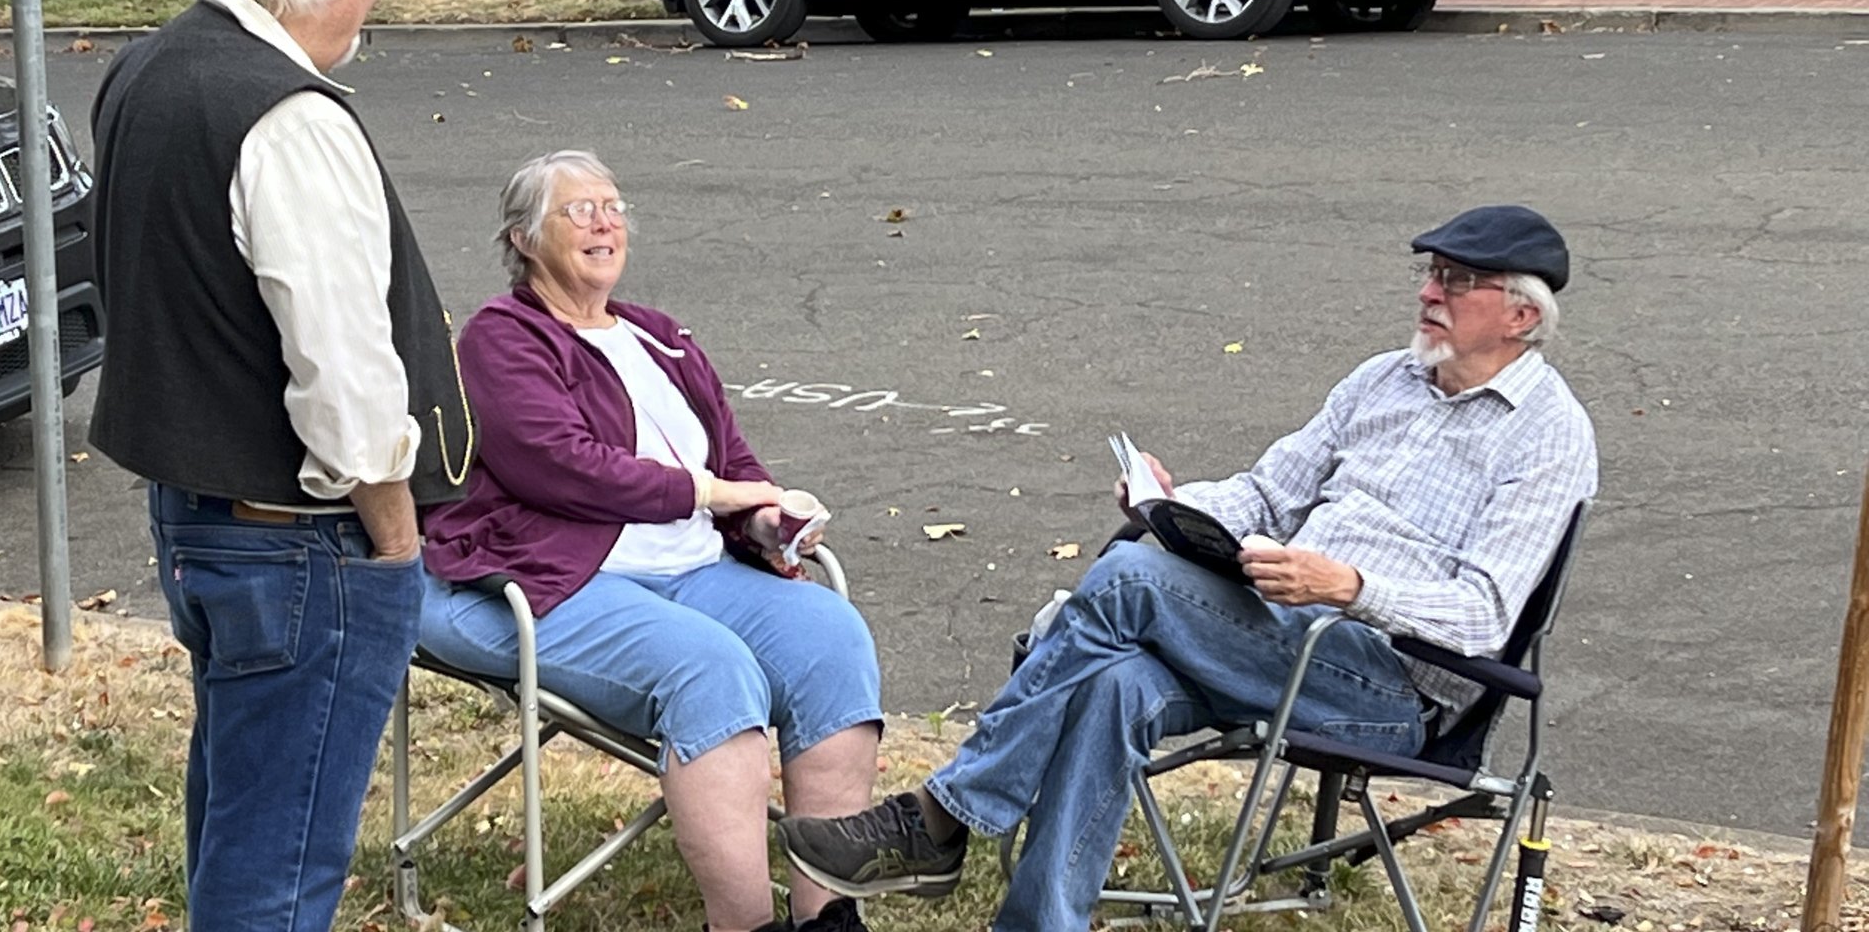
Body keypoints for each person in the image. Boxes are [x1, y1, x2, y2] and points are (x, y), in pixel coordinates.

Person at [777, 205, 1600, 932]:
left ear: (1522, 314)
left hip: (1390, 688)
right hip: (1280, 634)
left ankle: (944, 817)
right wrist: (1173, 504)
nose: (1429, 292)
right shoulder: (1384, 379)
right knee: (1113, 682)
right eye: (1430, 272)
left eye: (1457, 281)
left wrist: (1347, 587)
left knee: (1129, 579)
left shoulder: (1550, 435)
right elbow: (1268, 493)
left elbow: (1485, 616)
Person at [87, 0, 475, 932]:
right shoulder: (289, 115)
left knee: (237, 829)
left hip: (200, 520)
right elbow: (346, 382)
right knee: (281, 866)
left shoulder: (146, 68)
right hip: (300, 543)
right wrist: (396, 545)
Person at [419, 150, 883, 932]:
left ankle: (829, 920)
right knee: (712, 670)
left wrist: (763, 519)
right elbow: (563, 467)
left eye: (613, 205)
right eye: (579, 210)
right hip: (557, 579)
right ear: (525, 239)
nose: (605, 222)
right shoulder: (502, 339)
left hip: (694, 569)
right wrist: (712, 494)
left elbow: (733, 464)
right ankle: (743, 925)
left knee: (832, 638)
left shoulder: (658, 337)